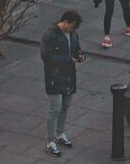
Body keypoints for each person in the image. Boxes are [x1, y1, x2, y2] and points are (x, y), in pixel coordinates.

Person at [40, 10, 85, 156]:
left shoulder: (73, 34)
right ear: (65, 22)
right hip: (54, 76)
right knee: (55, 108)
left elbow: (76, 49)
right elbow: (46, 56)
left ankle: (59, 133)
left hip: (69, 76)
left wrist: (80, 55)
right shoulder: (50, 35)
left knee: (65, 106)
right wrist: (68, 60)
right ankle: (49, 141)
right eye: (72, 26)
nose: (73, 30)